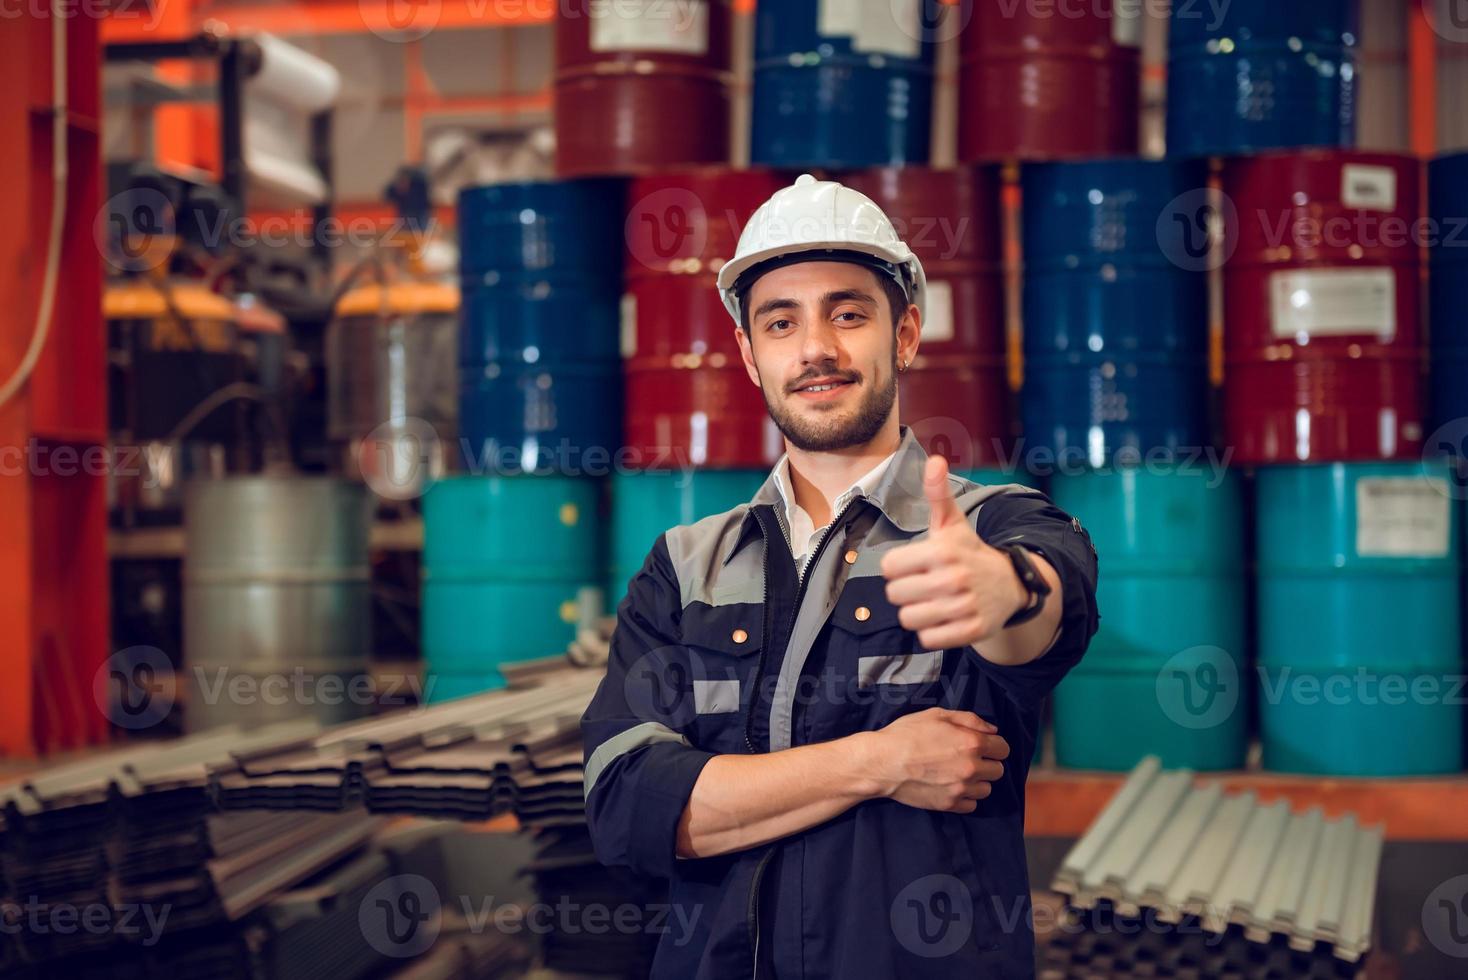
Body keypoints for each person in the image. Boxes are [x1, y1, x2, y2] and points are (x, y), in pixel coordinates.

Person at [581, 174, 1100, 979]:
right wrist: (881, 762)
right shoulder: (686, 565)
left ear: (905, 334)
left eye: (848, 313)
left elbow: (1045, 605)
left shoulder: (988, 527)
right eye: (781, 322)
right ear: (751, 358)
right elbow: (630, 808)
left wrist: (1004, 592)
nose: (815, 347)